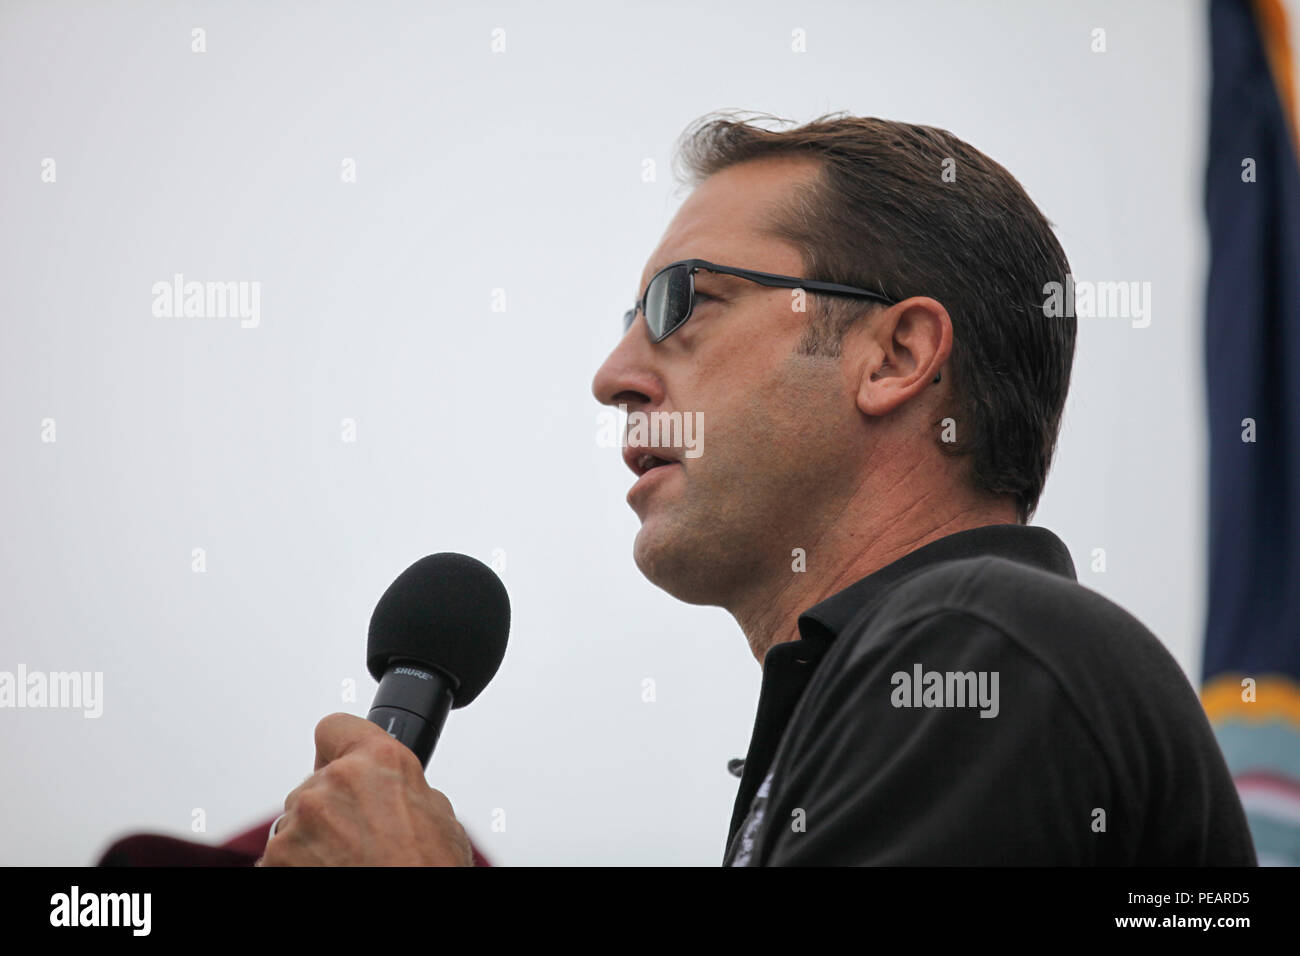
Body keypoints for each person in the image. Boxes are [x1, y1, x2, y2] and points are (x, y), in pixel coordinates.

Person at [258, 111, 1256, 866]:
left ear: (895, 355)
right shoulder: (899, 686)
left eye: (680, 302)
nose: (612, 375)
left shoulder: (981, 645)